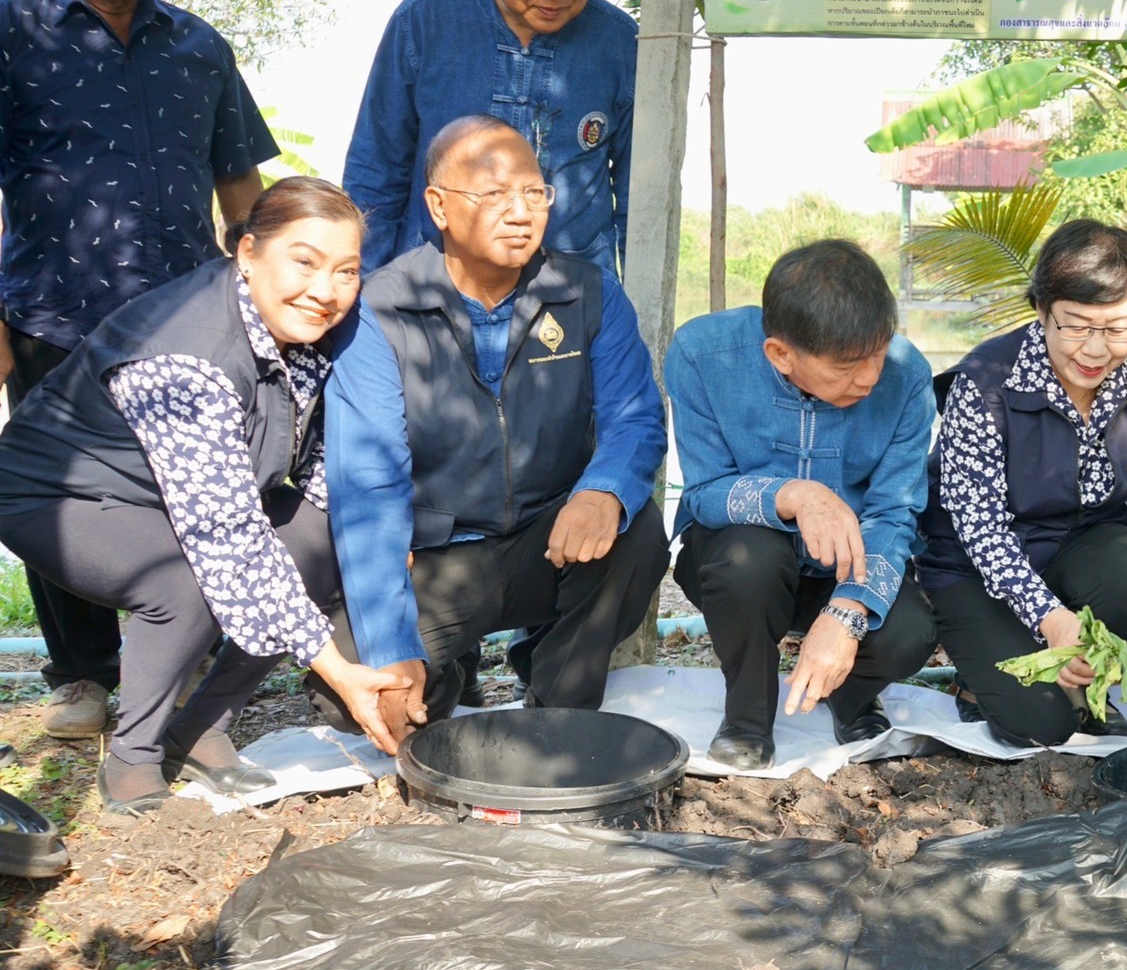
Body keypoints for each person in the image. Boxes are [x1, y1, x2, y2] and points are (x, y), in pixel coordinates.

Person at [0, 180, 409, 813]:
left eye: (347, 271)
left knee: (324, 535)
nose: (325, 290)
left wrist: (378, 545)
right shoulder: (185, 357)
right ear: (248, 253)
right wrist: (336, 668)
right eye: (303, 261)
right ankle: (134, 757)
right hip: (60, 495)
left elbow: (344, 455)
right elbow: (228, 541)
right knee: (186, 582)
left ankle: (201, 728)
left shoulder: (321, 320)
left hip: (182, 496)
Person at [0, 0, 276, 741]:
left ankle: (179, 680)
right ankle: (81, 674)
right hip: (50, 313)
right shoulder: (13, 35)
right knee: (63, 493)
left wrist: (272, 287)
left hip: (181, 320)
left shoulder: (198, 47)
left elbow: (241, 188)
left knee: (187, 492)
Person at [320, 116, 668, 744]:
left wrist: (604, 490)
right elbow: (367, 482)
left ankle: (556, 700)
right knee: (346, 690)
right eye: (493, 194)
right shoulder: (380, 309)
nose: (520, 212)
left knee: (635, 528)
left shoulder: (586, 292)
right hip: (438, 553)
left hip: (547, 535)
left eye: (535, 193)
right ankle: (443, 675)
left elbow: (635, 416)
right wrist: (391, 644)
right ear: (439, 206)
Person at [921, 220, 1127, 747]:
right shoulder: (985, 383)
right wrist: (1050, 620)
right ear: (1041, 310)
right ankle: (979, 678)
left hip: (1078, 557)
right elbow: (981, 531)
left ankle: (1078, 678)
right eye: (1076, 326)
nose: (1096, 350)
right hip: (980, 573)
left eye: (1118, 328)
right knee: (1041, 726)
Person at [666, 240, 939, 770]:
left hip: (845, 566)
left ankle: (851, 696)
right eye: (846, 366)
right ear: (780, 354)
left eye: (878, 354)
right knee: (748, 562)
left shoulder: (907, 376)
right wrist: (793, 495)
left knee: (910, 632)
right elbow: (703, 493)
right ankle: (746, 717)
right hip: (744, 561)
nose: (869, 379)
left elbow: (893, 512)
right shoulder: (702, 355)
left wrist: (848, 610)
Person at [345, 0, 636, 274]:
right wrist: (367, 286)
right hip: (430, 288)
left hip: (573, 296)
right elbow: (376, 169)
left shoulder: (620, 41)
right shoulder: (425, 21)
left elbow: (638, 192)